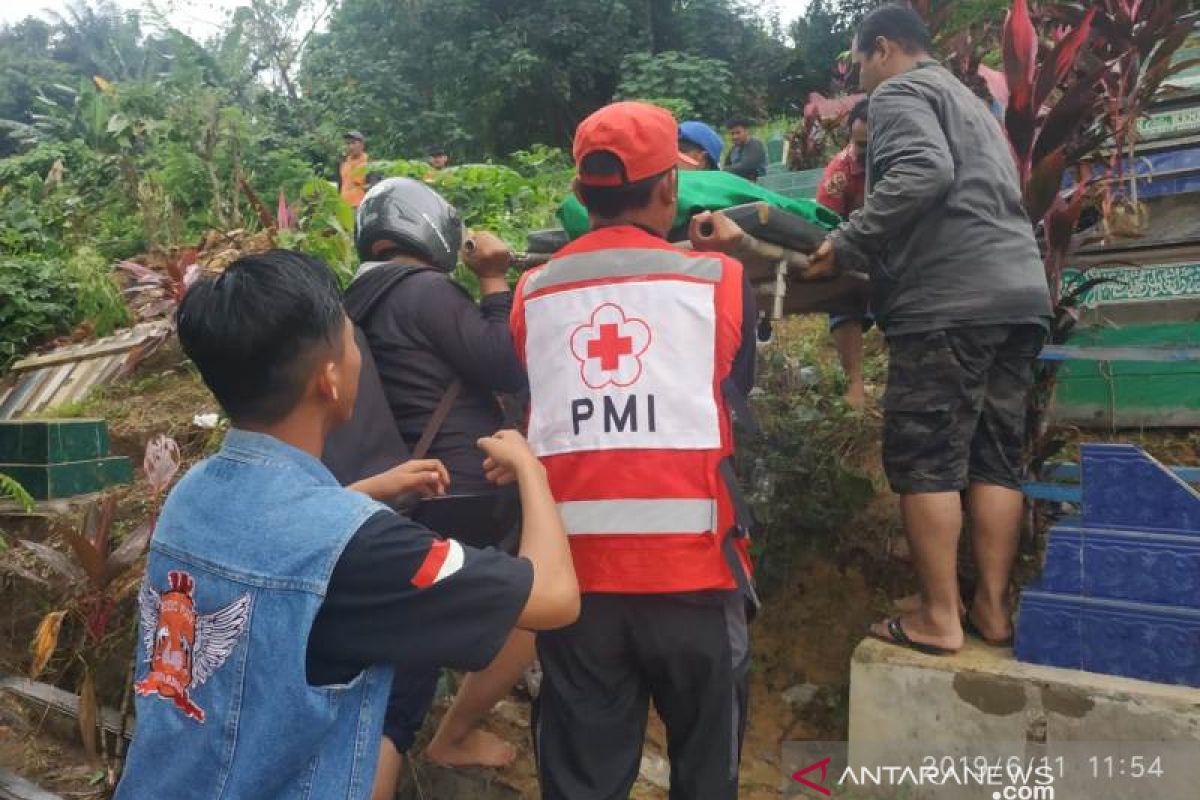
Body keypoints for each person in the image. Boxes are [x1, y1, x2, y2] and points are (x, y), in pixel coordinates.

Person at [114, 249, 579, 799]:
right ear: (329, 381)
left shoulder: (192, 493)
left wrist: (366, 492)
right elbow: (553, 598)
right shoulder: (365, 545)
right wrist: (532, 468)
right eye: (352, 340)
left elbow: (288, 543)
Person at [511, 101, 758, 800]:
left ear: (582, 195)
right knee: (708, 777)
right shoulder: (718, 282)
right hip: (697, 581)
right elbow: (734, 385)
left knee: (582, 782)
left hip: (575, 591)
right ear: (669, 190)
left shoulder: (533, 292)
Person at [804, 4, 1051, 654]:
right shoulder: (971, 103)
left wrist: (851, 240)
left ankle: (939, 617)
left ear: (882, 48)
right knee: (995, 458)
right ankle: (992, 613)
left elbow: (923, 172)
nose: (862, 78)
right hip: (1020, 292)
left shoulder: (903, 92)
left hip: (951, 301)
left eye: (859, 64)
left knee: (927, 461)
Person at [346, 178, 538, 797]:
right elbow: (502, 361)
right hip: (465, 486)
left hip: (396, 490)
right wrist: (492, 283)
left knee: (409, 643)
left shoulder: (353, 301)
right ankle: (455, 732)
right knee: (533, 608)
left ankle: (404, 735)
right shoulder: (426, 289)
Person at [816, 98, 872, 408]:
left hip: (902, 251)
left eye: (869, 144)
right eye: (857, 142)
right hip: (855, 247)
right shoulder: (839, 172)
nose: (861, 151)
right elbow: (826, 226)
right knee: (842, 297)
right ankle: (855, 382)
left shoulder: (906, 161)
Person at [723, 116, 767, 181]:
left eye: (738, 133)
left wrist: (726, 170)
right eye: (732, 133)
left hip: (757, 185)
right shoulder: (734, 149)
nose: (735, 136)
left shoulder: (755, 144)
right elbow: (725, 166)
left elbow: (746, 167)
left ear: (746, 131)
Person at [339, 130, 370, 207]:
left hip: (361, 207)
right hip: (344, 207)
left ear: (362, 145)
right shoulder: (343, 163)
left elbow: (373, 188)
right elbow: (340, 186)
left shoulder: (369, 164)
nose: (350, 147)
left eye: (353, 143)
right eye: (348, 143)